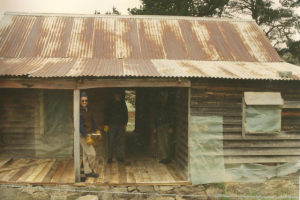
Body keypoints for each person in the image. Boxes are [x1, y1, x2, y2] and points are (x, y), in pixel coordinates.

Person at [79, 92, 101, 178]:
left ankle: (87, 171)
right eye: (82, 100)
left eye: (86, 100)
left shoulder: (88, 109)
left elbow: (92, 121)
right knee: (92, 154)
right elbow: (79, 126)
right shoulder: (78, 111)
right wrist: (85, 135)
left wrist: (97, 129)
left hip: (90, 133)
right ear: (80, 101)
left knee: (86, 154)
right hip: (83, 135)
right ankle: (89, 170)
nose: (84, 102)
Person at [104, 89, 128, 163]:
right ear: (114, 95)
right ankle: (110, 158)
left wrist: (125, 123)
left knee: (119, 142)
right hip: (112, 125)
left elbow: (125, 114)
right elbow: (106, 114)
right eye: (117, 94)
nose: (118, 96)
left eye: (120, 94)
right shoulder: (110, 103)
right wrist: (106, 124)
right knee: (110, 142)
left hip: (120, 125)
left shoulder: (123, 103)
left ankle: (119, 157)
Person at [153, 91, 175, 164]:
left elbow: (172, 116)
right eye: (160, 97)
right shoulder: (158, 105)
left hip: (167, 125)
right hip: (159, 125)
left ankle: (167, 157)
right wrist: (155, 126)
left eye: (162, 97)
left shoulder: (169, 106)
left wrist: (172, 126)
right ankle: (165, 157)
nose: (161, 98)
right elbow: (156, 116)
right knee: (161, 142)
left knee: (167, 141)